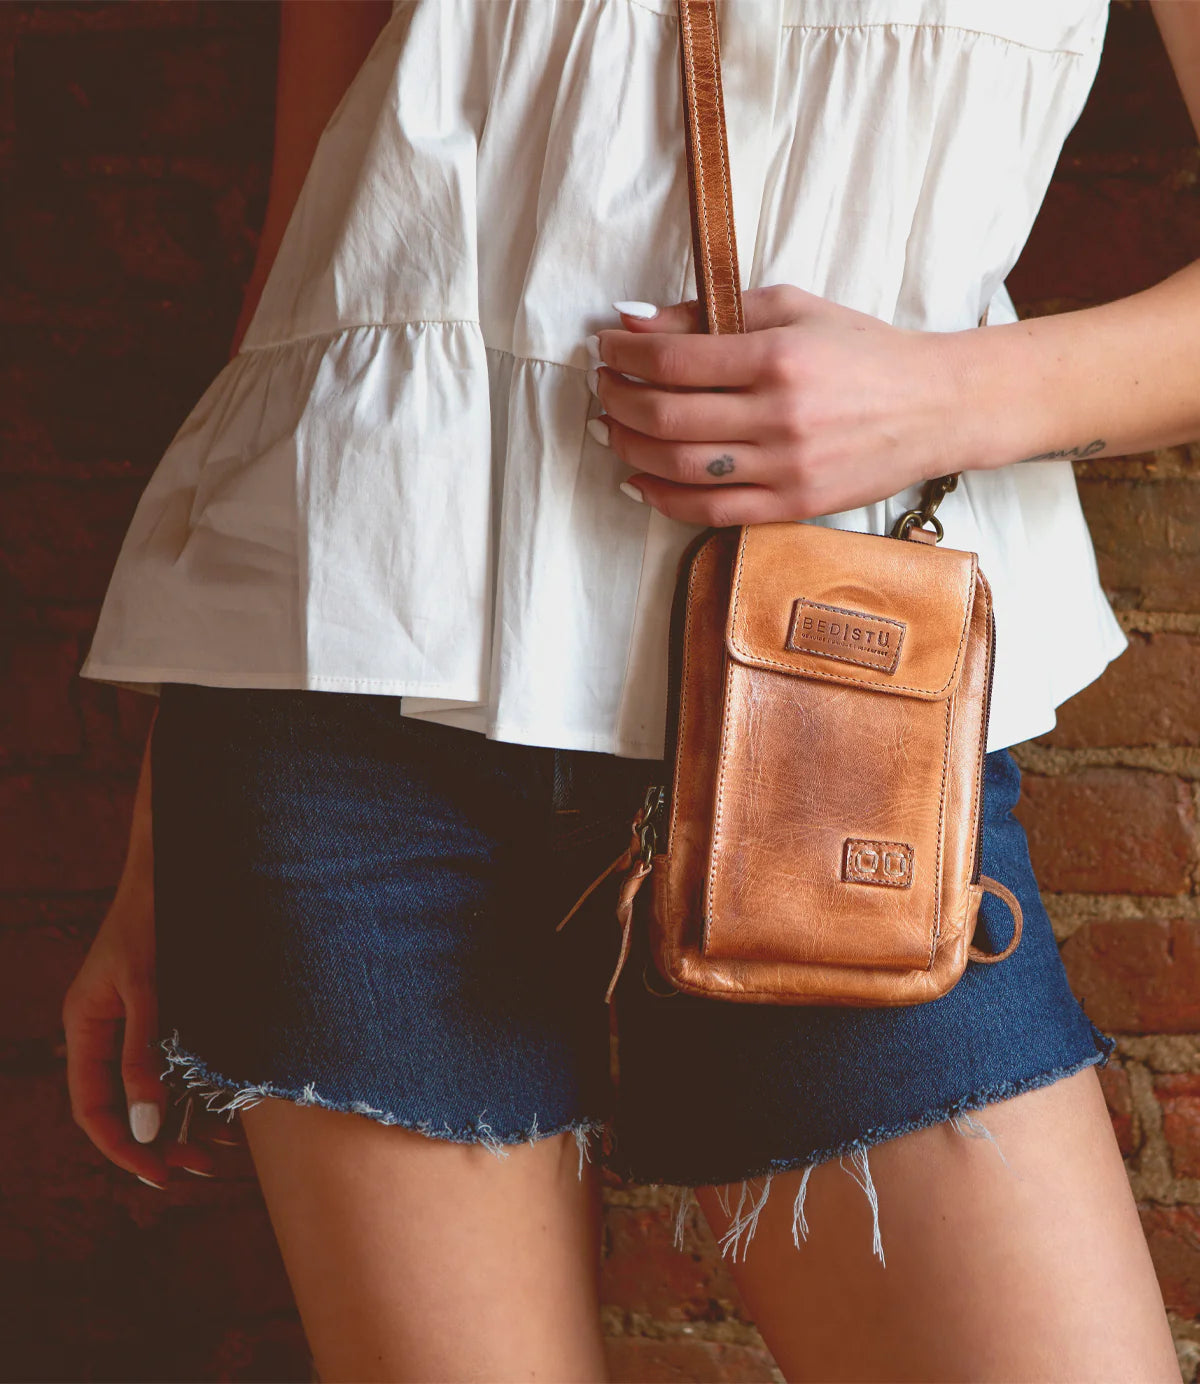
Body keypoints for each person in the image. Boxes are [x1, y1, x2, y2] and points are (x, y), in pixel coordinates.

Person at [61, 1, 1197, 1379]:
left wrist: (940, 401)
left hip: (832, 713)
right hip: (344, 687)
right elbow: (315, 244)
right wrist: (156, 823)